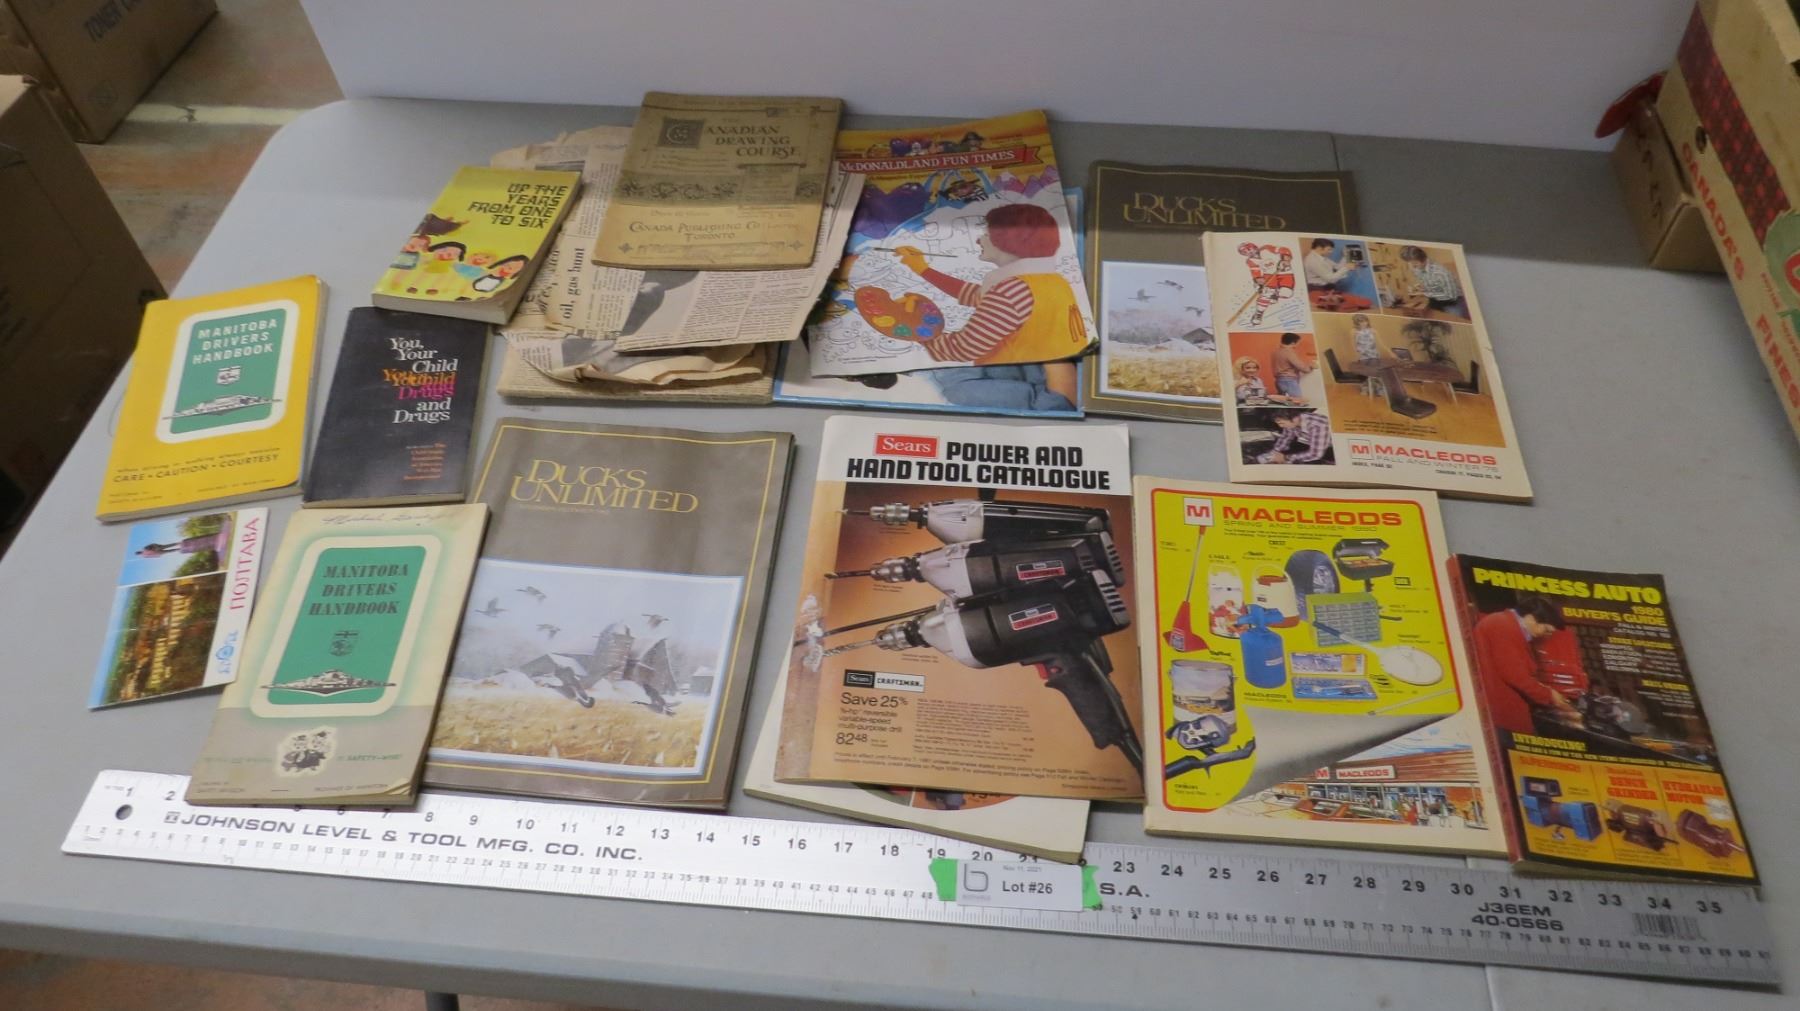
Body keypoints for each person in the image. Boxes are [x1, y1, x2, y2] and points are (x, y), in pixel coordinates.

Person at [891, 203, 1087, 366]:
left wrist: (910, 323)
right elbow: (979, 296)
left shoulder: (1011, 292)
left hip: (1015, 379)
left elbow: (960, 348)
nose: (979, 240)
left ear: (1007, 240)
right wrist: (922, 269)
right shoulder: (1052, 281)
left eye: (986, 234)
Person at [1471, 595, 1581, 735]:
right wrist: (1550, 696)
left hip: (1499, 713)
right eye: (1546, 630)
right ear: (1530, 618)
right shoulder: (1503, 626)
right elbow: (1515, 675)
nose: (1545, 635)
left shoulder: (1504, 623)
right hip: (1501, 716)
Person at [1399, 245, 1467, 316]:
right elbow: (1429, 283)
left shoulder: (1441, 272)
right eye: (1409, 263)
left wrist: (1425, 293)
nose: (1412, 267)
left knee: (1454, 319)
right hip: (1434, 298)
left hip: (1452, 301)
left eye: (1415, 264)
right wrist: (1423, 288)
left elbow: (1451, 296)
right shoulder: (1417, 269)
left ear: (1424, 260)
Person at [1254, 407, 1333, 465]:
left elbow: (1315, 454)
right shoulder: (1292, 420)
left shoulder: (1317, 425)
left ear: (1294, 419)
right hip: (1314, 443)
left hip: (1332, 448)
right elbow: (1285, 437)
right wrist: (1275, 452)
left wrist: (1285, 458)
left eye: (1282, 423)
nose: (1280, 426)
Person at [1271, 332, 1314, 401]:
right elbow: (1302, 367)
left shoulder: (1276, 352)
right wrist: (1311, 367)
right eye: (1298, 343)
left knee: (1283, 402)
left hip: (1279, 380)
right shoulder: (1289, 352)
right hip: (1289, 381)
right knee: (1297, 401)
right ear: (1293, 343)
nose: (1298, 344)